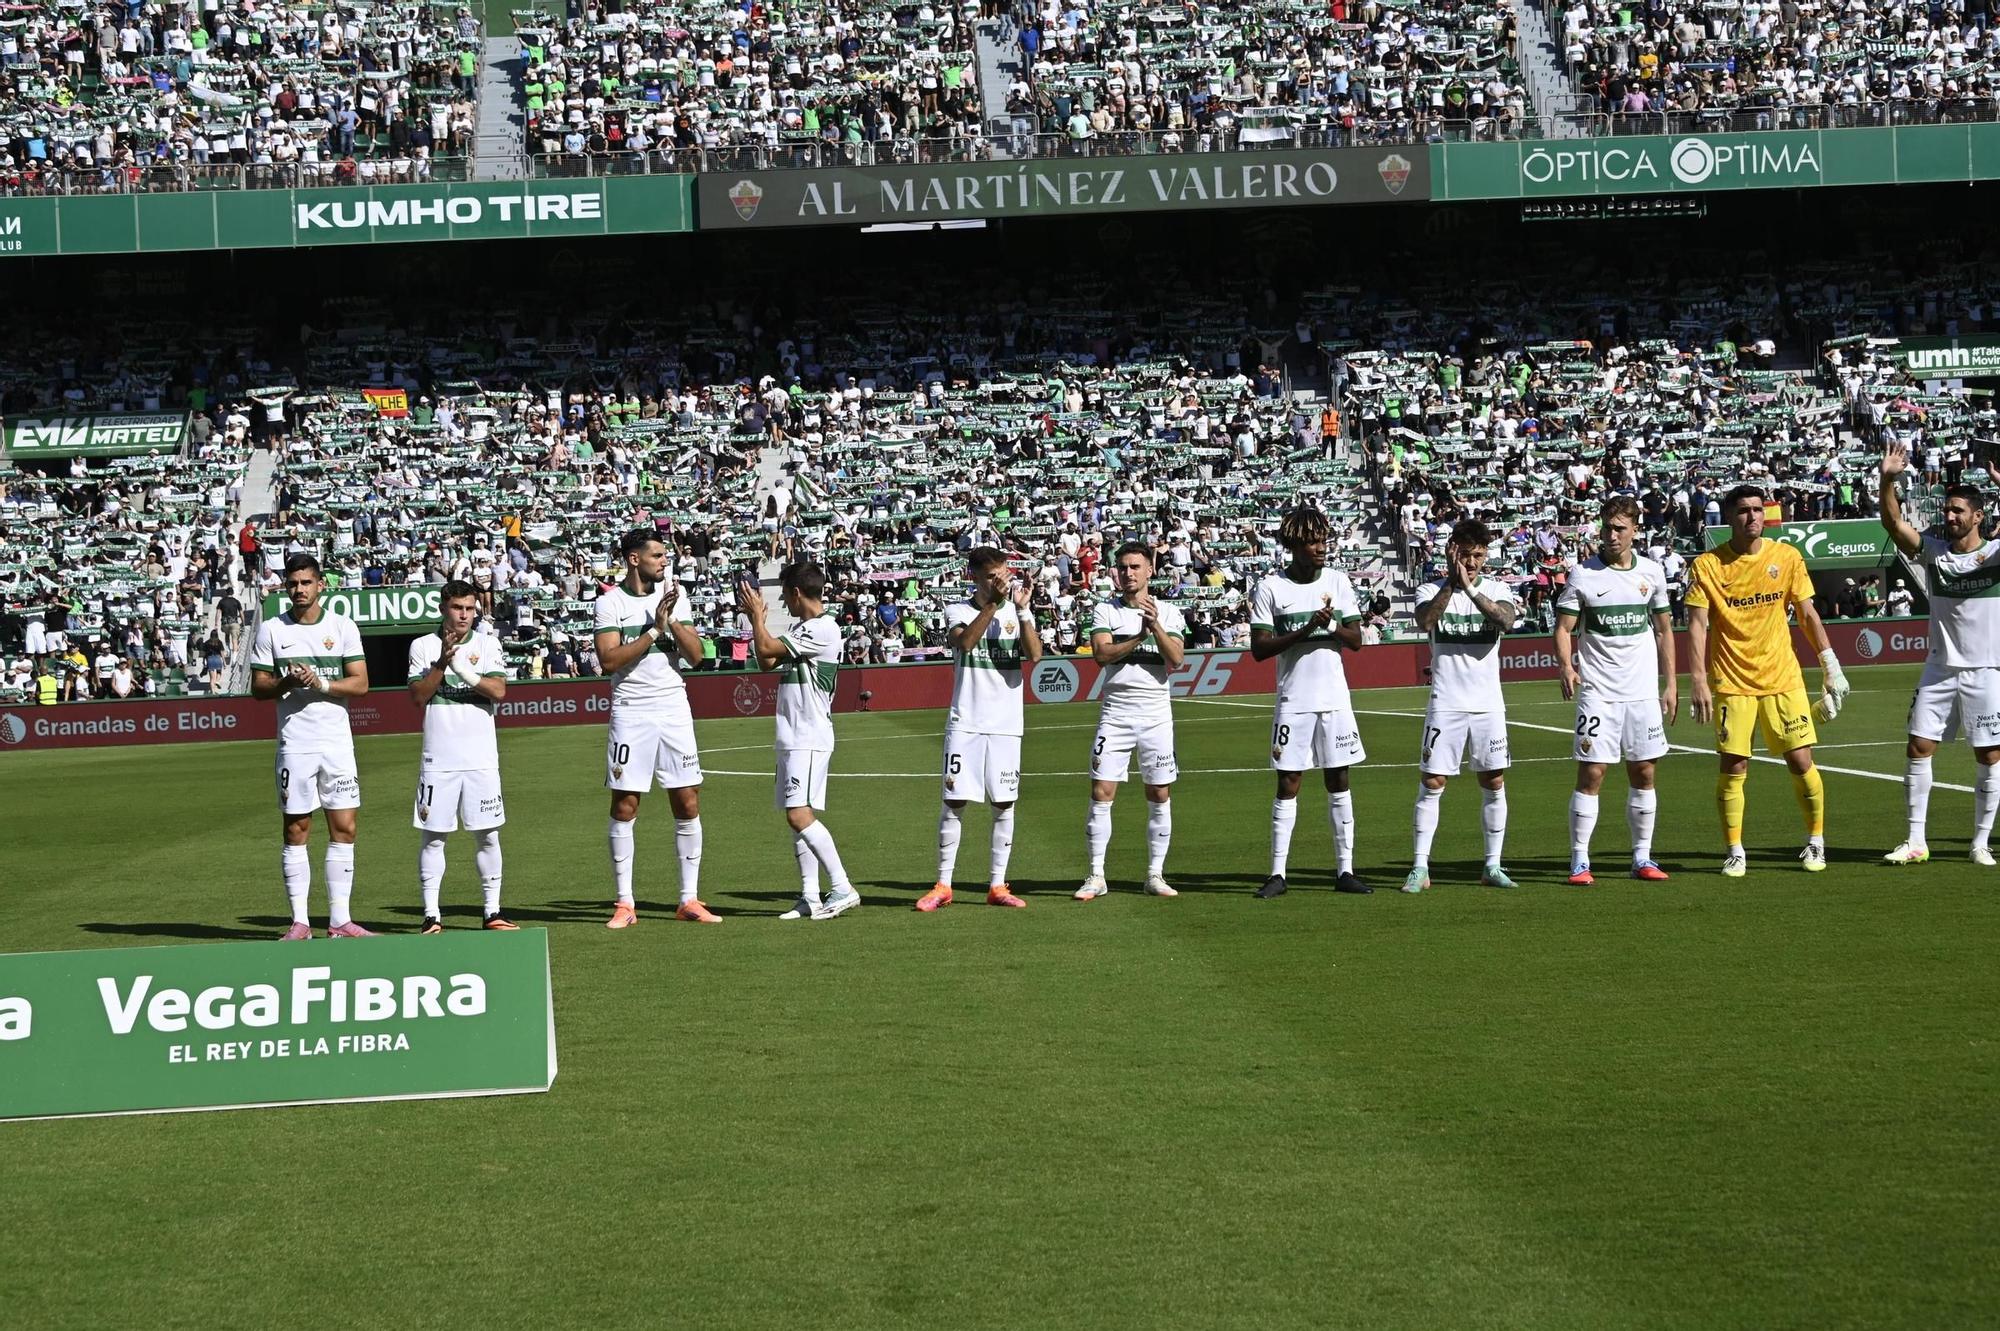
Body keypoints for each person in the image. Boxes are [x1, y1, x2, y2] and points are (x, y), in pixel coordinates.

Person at [1685, 485, 1850, 876]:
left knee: (1800, 759)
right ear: (1729, 517)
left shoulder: (1786, 557)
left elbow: (1807, 614)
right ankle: (1735, 850)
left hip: (1782, 678)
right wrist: (1697, 679)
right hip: (1732, 681)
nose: (1752, 517)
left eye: (1758, 510)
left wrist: (1831, 664)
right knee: (1734, 765)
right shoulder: (1707, 565)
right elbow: (1696, 625)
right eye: (1743, 511)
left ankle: (1815, 842)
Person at [1877, 443, 2000, 865]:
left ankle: (1980, 843)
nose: (1949, 516)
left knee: (1988, 755)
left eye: (1958, 511)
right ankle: (1915, 842)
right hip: (1939, 668)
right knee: (1917, 747)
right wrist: (1887, 479)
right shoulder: (1934, 551)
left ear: (1978, 516)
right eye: (1947, 510)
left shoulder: (1995, 555)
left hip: (1986, 669)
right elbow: (1893, 523)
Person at [1554, 497, 1678, 885]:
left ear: (1634, 531)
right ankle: (1579, 860)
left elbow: (1663, 630)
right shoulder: (1583, 575)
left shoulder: (1653, 573)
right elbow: (1563, 628)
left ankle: (1641, 857)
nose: (1611, 535)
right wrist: (1566, 664)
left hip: (1641, 693)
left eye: (1619, 528)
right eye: (1607, 527)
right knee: (1592, 773)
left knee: (1644, 772)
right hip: (1598, 693)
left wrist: (1672, 683)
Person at [1249, 506, 1372, 899]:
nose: (1322, 547)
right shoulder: (1271, 587)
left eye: (1323, 540)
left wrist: (1332, 624)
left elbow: (1356, 640)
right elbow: (1259, 649)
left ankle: (1345, 870)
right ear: (1295, 545)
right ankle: (1277, 873)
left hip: (1335, 699)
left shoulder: (1337, 581)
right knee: (1289, 781)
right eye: (1314, 541)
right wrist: (1307, 628)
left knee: (1339, 779)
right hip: (1294, 699)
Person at [595, 529, 716, 927]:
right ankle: (625, 903)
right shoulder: (610, 603)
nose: (666, 561)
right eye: (659, 555)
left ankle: (688, 899)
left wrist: (672, 620)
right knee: (626, 803)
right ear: (634, 559)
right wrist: (654, 631)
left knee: (687, 801)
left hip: (673, 708)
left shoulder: (676, 597)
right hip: (631, 710)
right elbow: (609, 661)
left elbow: (698, 657)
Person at [249, 553, 371, 939]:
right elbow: (258, 689)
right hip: (296, 743)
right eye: (293, 583)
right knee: (297, 828)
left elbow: (360, 683)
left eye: (306, 583)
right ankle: (300, 921)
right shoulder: (272, 629)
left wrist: (320, 684)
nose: (299, 590)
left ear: (321, 585)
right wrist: (289, 683)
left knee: (345, 828)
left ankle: (340, 920)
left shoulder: (342, 626)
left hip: (336, 743)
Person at [916, 547, 1043, 912]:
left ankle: (997, 884)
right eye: (991, 576)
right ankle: (943, 884)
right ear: (974, 576)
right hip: (966, 722)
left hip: (1005, 725)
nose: (1000, 581)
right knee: (954, 801)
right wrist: (993, 605)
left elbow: (1034, 655)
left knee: (1004, 803)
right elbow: (966, 643)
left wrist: (1022, 611)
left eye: (1003, 573)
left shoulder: (1015, 610)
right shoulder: (958, 610)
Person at [739, 563, 859, 920]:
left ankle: (842, 886)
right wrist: (759, 624)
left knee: (798, 814)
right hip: (793, 734)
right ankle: (810, 895)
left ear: (795, 593)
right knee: (796, 813)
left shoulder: (822, 628)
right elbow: (765, 661)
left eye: (783, 596)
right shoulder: (803, 628)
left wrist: (757, 617)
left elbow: (765, 645)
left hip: (808, 734)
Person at [1406, 519, 1519, 892]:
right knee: (1433, 781)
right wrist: (1454, 586)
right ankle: (1420, 868)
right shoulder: (1430, 588)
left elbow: (1504, 619)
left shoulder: (1498, 588)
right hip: (1447, 702)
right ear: (1451, 550)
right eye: (1466, 555)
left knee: (1494, 780)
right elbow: (1425, 620)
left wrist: (1469, 590)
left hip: (1488, 704)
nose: (1472, 563)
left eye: (1479, 556)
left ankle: (1493, 865)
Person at [1075, 542, 1185, 900]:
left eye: (1135, 566)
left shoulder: (1168, 612)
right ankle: (1096, 875)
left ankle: (1155, 875)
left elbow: (1177, 659)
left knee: (1159, 792)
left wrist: (1155, 628)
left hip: (1156, 715)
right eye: (1122, 567)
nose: (1128, 573)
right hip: (1116, 713)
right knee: (1102, 791)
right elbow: (1101, 655)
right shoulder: (1105, 611)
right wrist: (1139, 634)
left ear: (1150, 569)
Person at [407, 580, 516, 932]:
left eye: (470, 608)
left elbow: (498, 690)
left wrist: (463, 671)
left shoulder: (488, 644)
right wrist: (441, 663)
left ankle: (492, 911)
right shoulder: (422, 646)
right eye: (457, 608)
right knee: (434, 836)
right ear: (443, 608)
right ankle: (431, 915)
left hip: (481, 758)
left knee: (488, 835)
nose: (464, 615)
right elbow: (418, 696)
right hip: (438, 759)